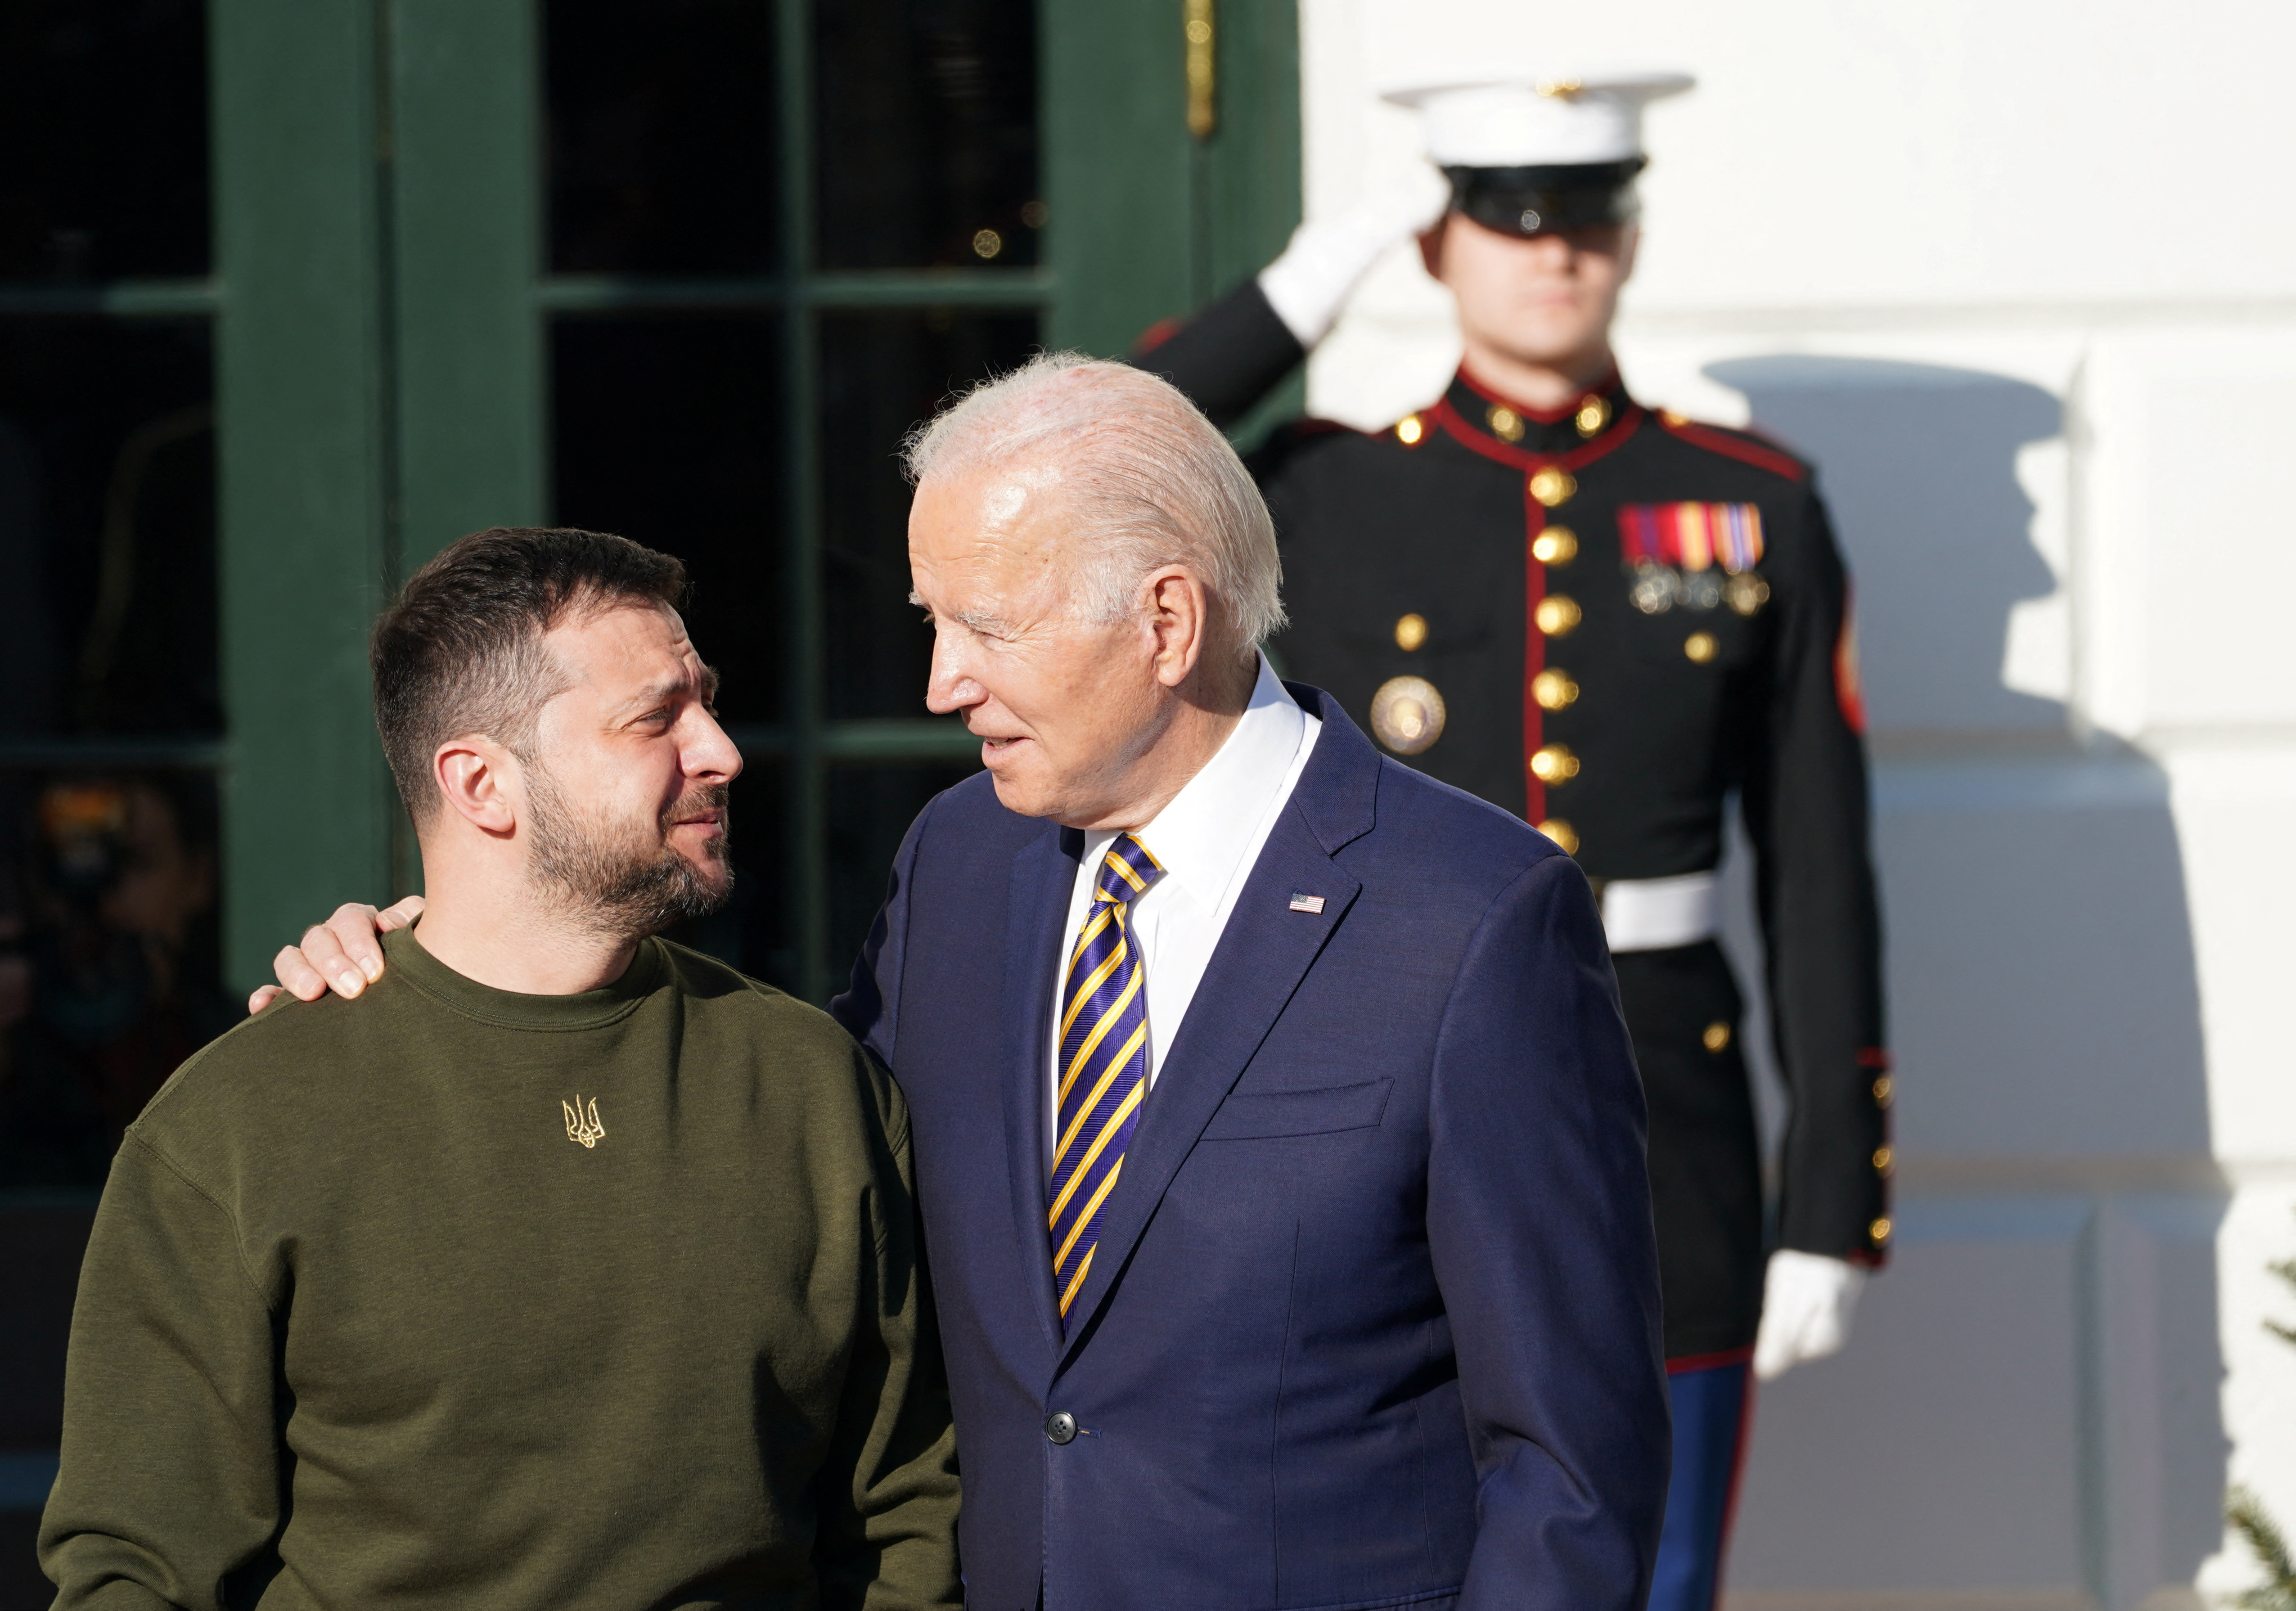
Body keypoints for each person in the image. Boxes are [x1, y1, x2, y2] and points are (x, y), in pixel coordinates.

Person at [263, 359, 1670, 1610]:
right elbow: (773, 1154)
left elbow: (1570, 1463)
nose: (942, 682)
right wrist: (447, 978)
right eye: (935, 621)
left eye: (984, 627)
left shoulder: (1468, 917)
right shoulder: (965, 857)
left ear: (1166, 623)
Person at [1135, 68, 1892, 1611]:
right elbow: (1112, 434)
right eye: (1502, 215)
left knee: (1649, 1572)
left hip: (1657, 1121)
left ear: (1628, 237)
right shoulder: (1327, 493)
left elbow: (1819, 877)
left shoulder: (1748, 510)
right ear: (1439, 243)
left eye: (1589, 218)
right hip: (1372, 1101)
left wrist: (1832, 1199)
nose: (1553, 250)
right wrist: (1317, 266)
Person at [43, 528, 960, 1611]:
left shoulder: (811, 1084)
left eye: (703, 701)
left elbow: (906, 1514)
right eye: (656, 716)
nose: (720, 749)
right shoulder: (235, 1126)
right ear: (482, 782)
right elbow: (137, 1569)